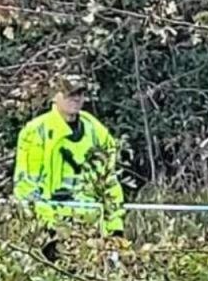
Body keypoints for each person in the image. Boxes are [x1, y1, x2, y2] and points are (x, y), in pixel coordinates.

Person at [13, 74, 125, 262]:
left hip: (91, 231)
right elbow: (26, 187)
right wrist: (48, 229)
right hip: (52, 230)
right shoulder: (36, 132)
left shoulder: (96, 131)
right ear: (54, 96)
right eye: (69, 93)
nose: (76, 98)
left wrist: (115, 228)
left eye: (80, 93)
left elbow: (109, 183)